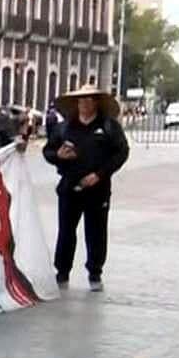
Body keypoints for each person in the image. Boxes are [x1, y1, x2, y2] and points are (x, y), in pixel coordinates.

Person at [42, 84, 129, 292]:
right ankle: (62, 271)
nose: (85, 104)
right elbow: (48, 151)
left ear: (96, 103)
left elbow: (121, 153)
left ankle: (95, 272)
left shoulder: (108, 127)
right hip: (69, 187)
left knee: (96, 231)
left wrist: (99, 174)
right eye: (82, 100)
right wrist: (58, 156)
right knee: (66, 231)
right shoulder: (64, 128)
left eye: (90, 100)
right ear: (76, 103)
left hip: (98, 188)